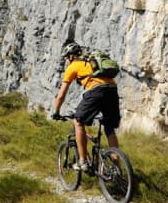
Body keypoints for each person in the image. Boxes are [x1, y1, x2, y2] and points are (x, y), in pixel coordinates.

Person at [51, 42, 121, 171]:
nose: (67, 60)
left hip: (96, 91)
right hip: (112, 90)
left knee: (78, 121)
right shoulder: (92, 62)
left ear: (71, 57)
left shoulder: (73, 66)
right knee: (109, 127)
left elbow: (61, 94)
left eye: (67, 57)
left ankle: (83, 161)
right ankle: (117, 166)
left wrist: (56, 111)